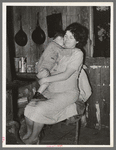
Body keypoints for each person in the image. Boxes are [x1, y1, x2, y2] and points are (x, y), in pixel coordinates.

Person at [23, 22, 89, 144]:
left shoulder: (78, 53)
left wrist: (46, 79)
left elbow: (66, 75)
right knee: (29, 108)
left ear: (78, 41)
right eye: (65, 36)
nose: (66, 39)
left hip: (67, 93)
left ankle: (33, 137)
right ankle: (29, 133)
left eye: (70, 37)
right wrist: (43, 72)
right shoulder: (59, 51)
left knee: (39, 110)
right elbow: (47, 65)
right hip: (51, 91)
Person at [33, 31, 65, 100]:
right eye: (63, 42)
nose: (63, 45)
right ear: (58, 39)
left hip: (44, 69)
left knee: (47, 83)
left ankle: (37, 94)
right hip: (43, 69)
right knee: (47, 82)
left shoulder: (54, 47)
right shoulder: (53, 45)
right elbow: (62, 52)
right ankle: (37, 94)